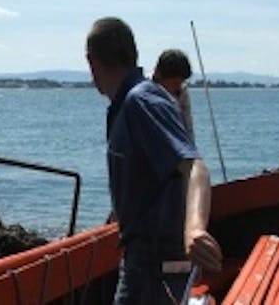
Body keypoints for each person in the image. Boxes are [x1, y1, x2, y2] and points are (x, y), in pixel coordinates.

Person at [85, 17, 222, 304]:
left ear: (92, 62)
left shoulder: (141, 102)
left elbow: (195, 167)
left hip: (154, 264)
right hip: (141, 255)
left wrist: (195, 228)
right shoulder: (123, 106)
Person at [153, 49, 195, 141]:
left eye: (182, 82)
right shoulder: (142, 94)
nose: (179, 88)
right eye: (175, 83)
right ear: (158, 74)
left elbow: (188, 127)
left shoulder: (182, 91)